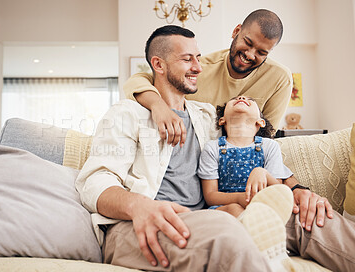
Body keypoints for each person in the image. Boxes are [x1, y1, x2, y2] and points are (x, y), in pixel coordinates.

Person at [76, 25, 294, 272]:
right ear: (159, 65)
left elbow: (254, 145)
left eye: (198, 58)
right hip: (137, 224)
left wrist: (298, 189)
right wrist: (139, 205)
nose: (199, 68)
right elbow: (94, 183)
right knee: (228, 234)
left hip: (204, 217)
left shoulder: (207, 115)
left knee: (305, 224)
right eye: (187, 59)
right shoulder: (126, 114)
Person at [124, 9, 337, 237]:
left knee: (318, 224)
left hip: (258, 187)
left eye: (262, 52)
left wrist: (297, 189)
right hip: (219, 196)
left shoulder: (279, 79)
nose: (250, 54)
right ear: (236, 31)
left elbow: (265, 142)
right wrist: (159, 107)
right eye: (247, 42)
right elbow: (138, 80)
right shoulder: (200, 69)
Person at [197, 96, 293, 218]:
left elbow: (277, 190)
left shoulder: (269, 146)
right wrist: (239, 198)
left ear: (260, 122)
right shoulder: (212, 148)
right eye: (234, 99)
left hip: (261, 204)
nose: (242, 98)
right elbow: (210, 196)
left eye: (251, 101)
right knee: (234, 208)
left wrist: (261, 172)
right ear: (222, 120)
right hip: (224, 207)